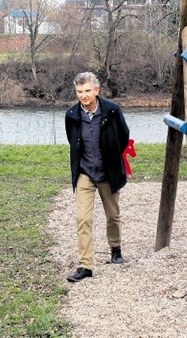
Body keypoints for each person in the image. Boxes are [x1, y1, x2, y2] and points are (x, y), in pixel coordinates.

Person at [64, 72, 130, 282]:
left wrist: (110, 155)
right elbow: (72, 140)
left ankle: (115, 248)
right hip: (85, 171)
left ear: (96, 90)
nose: (83, 96)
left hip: (108, 171)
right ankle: (85, 265)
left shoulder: (112, 110)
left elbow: (124, 136)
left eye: (87, 91)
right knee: (83, 219)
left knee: (113, 215)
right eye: (79, 92)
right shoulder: (72, 115)